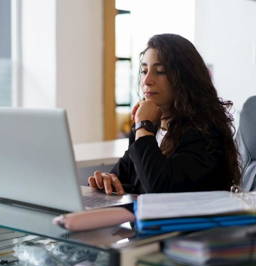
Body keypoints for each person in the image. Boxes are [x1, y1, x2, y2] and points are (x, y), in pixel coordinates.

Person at [88, 34, 241, 195]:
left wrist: (143, 127)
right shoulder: (153, 127)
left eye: (160, 71)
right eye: (144, 70)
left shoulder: (204, 132)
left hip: (186, 218)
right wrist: (108, 180)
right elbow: (127, 177)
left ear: (184, 78)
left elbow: (159, 188)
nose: (147, 80)